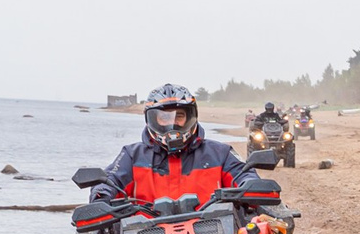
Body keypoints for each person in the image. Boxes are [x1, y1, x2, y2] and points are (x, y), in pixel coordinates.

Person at [91, 84, 254, 208]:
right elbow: (110, 179)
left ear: (191, 116)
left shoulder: (221, 153)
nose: (172, 123)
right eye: (164, 117)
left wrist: (252, 185)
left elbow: (243, 174)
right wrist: (101, 195)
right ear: (152, 120)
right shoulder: (132, 155)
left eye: (179, 116)